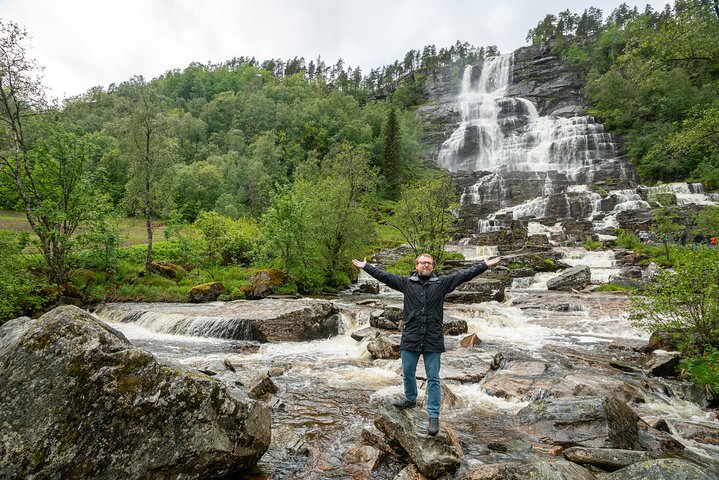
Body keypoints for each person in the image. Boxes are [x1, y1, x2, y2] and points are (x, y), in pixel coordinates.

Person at [352, 253, 501, 436]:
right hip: (411, 336)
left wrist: (484, 264)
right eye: (422, 263)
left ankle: (433, 415)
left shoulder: (442, 283)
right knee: (407, 373)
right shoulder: (407, 283)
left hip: (432, 337)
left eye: (429, 263)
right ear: (417, 266)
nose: (425, 266)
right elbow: (386, 277)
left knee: (433, 378)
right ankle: (410, 399)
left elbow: (464, 275)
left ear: (433, 266)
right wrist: (366, 267)